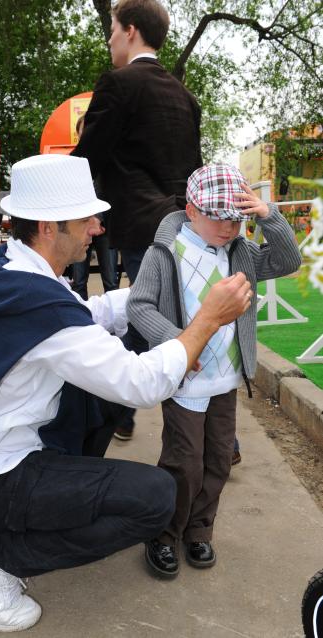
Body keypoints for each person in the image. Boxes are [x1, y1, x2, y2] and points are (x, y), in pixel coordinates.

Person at [0, 154, 252, 633]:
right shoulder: (36, 301)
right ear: (52, 228)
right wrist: (203, 322)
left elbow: (87, 315)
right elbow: (141, 383)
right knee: (155, 498)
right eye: (88, 218)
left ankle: (27, 518)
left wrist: (151, 292)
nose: (98, 227)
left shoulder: (19, 272)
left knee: (128, 342)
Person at [127, 164, 302, 578]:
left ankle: (199, 530)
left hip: (225, 381)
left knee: (220, 459)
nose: (229, 226)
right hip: (185, 379)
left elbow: (289, 260)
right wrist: (177, 343)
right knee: (183, 461)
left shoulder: (240, 252)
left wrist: (266, 215)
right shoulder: (165, 253)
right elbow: (139, 305)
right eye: (218, 215)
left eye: (236, 216)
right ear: (191, 211)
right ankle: (164, 533)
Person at [73, 0, 202, 440]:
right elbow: (194, 170)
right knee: (167, 317)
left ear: (130, 30)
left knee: (147, 320)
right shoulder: (186, 97)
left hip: (140, 224)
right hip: (184, 227)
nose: (108, 39)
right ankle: (120, 414)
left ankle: (105, 417)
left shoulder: (118, 84)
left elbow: (86, 157)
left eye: (111, 30)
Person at [72, 115, 118, 299]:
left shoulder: (107, 158)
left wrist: (98, 218)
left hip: (104, 228)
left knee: (111, 281)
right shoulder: (73, 162)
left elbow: (109, 191)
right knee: (78, 281)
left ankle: (116, 326)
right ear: (78, 134)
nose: (87, 132)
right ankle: (80, 319)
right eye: (83, 129)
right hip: (79, 228)